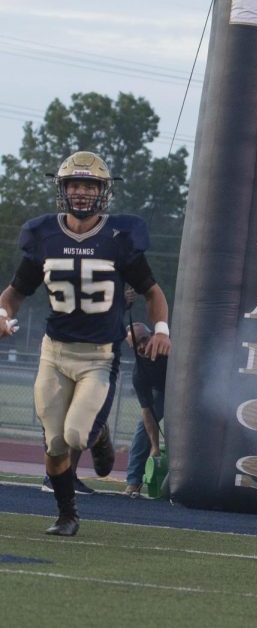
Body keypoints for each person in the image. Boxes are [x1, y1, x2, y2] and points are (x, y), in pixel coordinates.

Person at [0, 151, 171, 536]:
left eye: (89, 185)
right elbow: (14, 293)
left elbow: (153, 291)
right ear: (62, 190)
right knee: (56, 443)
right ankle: (66, 514)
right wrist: (2, 315)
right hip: (54, 353)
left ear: (103, 192)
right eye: (74, 185)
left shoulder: (119, 238)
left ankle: (97, 433)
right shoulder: (44, 236)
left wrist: (161, 328)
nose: (80, 193)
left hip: (98, 356)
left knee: (77, 435)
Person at [123, 321, 167, 498]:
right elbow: (148, 412)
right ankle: (134, 481)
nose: (143, 346)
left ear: (153, 335)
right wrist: (155, 446)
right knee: (143, 430)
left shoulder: (170, 345)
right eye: (136, 345)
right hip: (163, 392)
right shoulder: (139, 374)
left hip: (186, 390)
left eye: (144, 339)